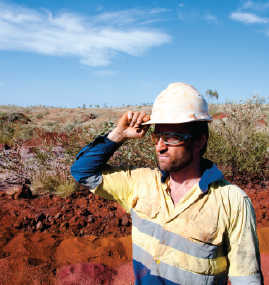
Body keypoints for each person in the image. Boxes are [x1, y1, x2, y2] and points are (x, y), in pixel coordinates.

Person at [71, 82, 263, 285]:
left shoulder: (232, 201)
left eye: (171, 138)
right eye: (157, 136)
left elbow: (247, 280)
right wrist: (119, 135)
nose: (160, 147)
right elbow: (82, 172)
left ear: (198, 142)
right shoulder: (140, 182)